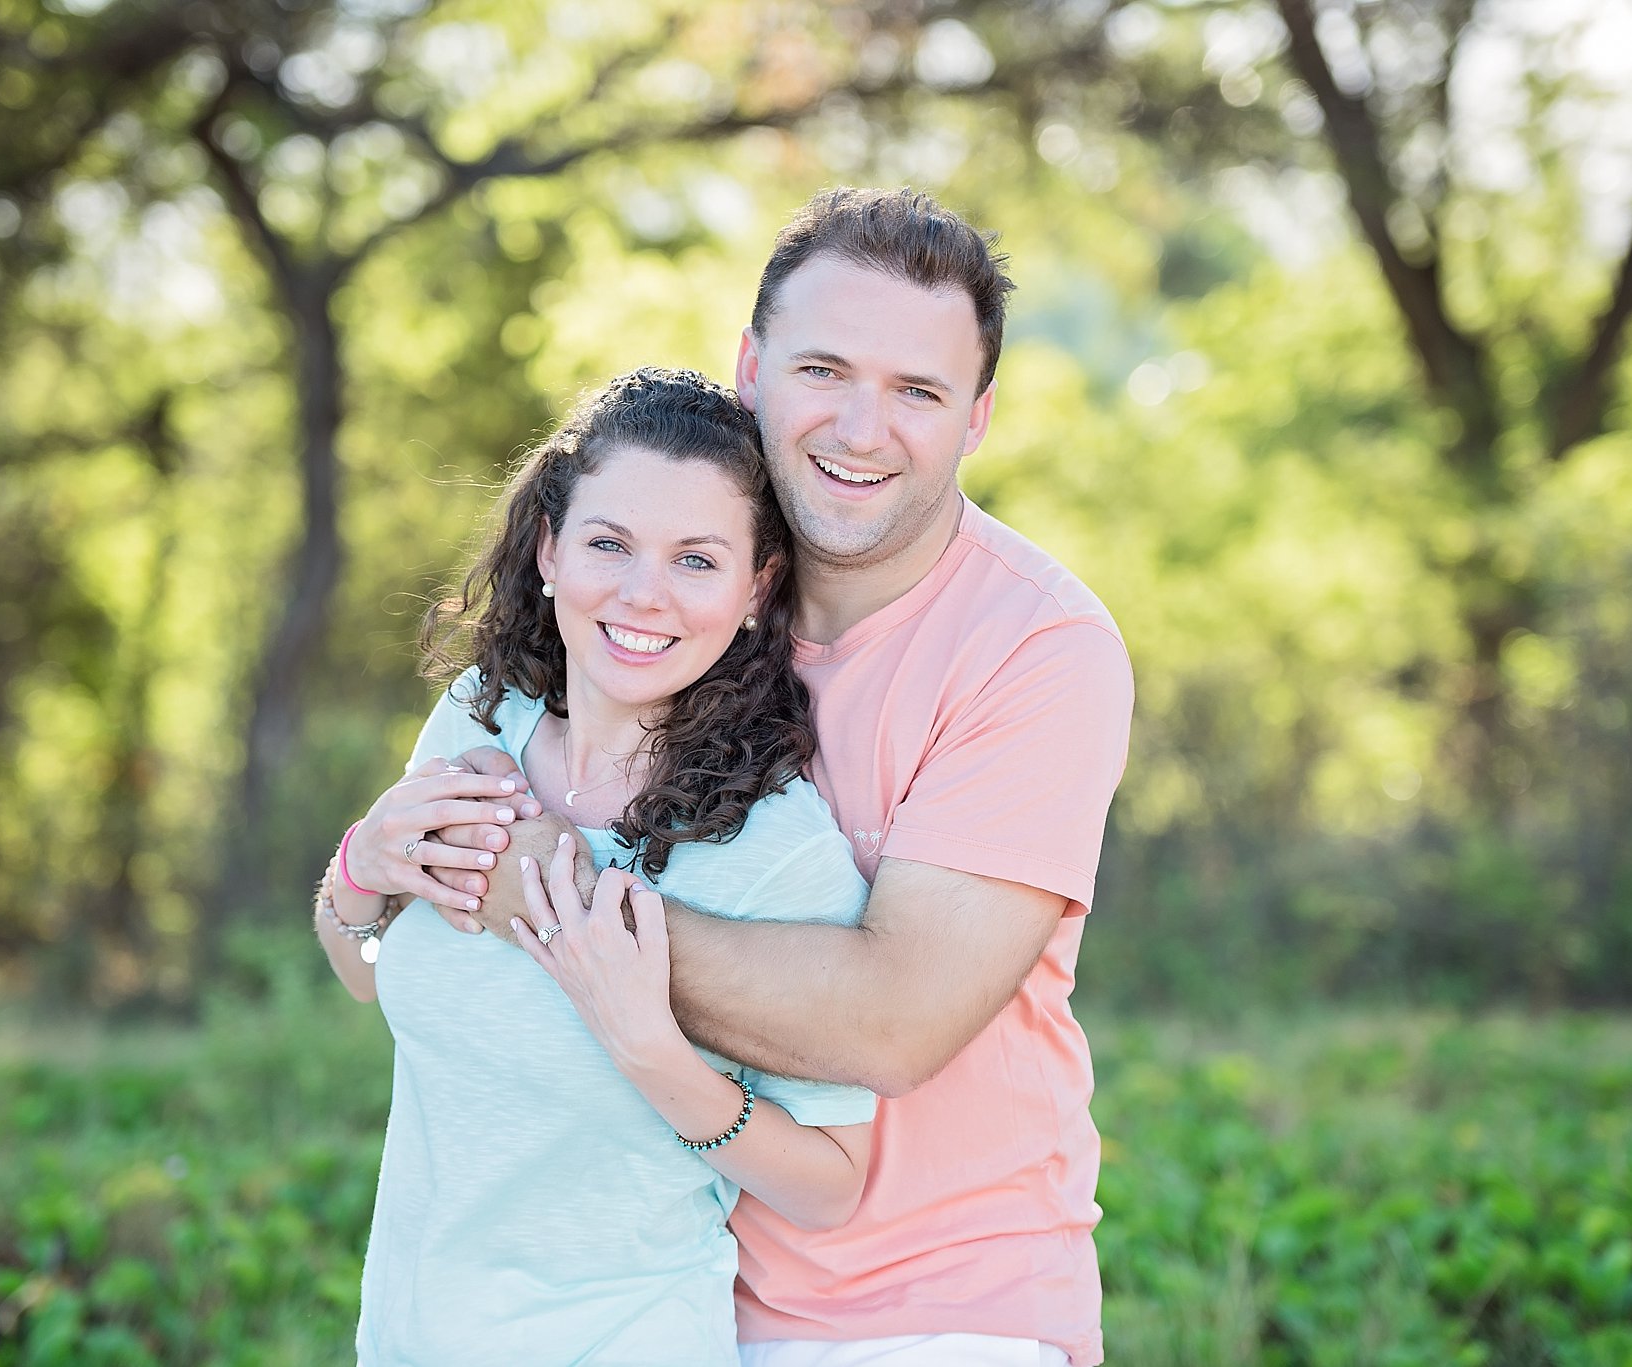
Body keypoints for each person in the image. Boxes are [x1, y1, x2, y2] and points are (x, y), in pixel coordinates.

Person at [378, 188, 1135, 1366]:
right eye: (823, 369)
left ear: (976, 417)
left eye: (918, 391)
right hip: (659, 1291)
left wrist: (536, 886)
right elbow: (401, 925)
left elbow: (891, 1020)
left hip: (929, 1307)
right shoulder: (674, 595)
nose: (861, 429)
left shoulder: (1035, 647)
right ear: (749, 368)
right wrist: (366, 876)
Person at [317, 367, 878, 1366]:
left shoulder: (778, 856)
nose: (641, 592)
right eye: (609, 542)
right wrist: (362, 865)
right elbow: (364, 973)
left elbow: (830, 1182)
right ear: (549, 549)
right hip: (404, 1337)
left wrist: (652, 1050)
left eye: (695, 560)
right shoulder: (477, 723)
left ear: (755, 590)